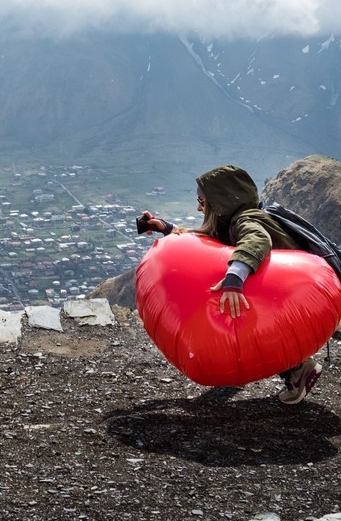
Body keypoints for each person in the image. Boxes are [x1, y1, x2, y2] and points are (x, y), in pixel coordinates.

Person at [136, 163, 326, 404]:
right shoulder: (232, 220)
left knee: (244, 322)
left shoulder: (246, 220)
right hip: (287, 295)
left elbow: (257, 239)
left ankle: (297, 369)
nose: (198, 207)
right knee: (251, 326)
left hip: (292, 294)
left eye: (202, 202)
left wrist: (234, 278)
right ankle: (295, 368)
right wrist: (167, 228)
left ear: (220, 202)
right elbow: (208, 239)